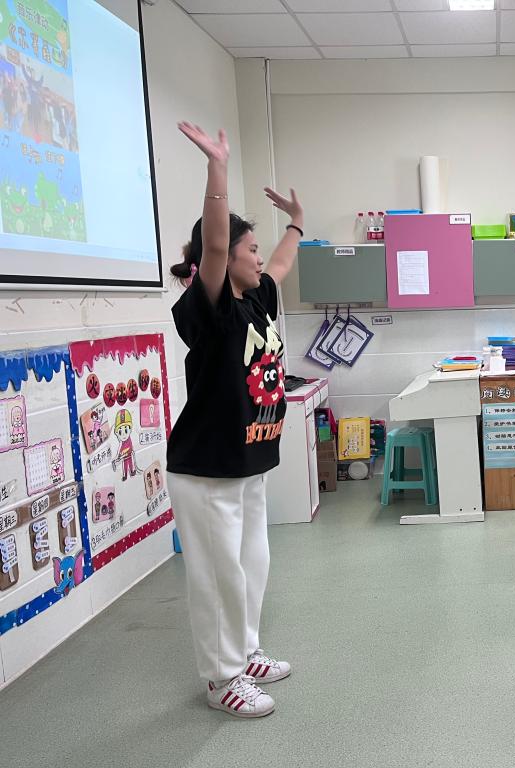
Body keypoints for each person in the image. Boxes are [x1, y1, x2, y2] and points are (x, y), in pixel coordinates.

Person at [166, 121, 303, 719]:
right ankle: (221, 678)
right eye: (250, 249)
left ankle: (245, 653)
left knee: (251, 564)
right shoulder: (211, 304)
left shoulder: (257, 299)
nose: (256, 256)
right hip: (207, 466)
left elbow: (282, 261)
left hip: (247, 462)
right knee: (219, 576)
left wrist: (297, 221)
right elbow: (218, 248)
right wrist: (217, 169)